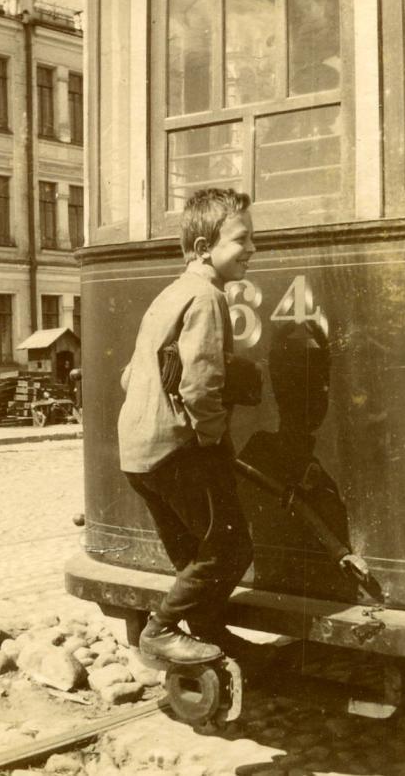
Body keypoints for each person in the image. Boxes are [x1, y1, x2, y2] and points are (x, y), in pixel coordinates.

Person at [118, 188, 257, 666]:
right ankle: (159, 632)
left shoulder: (170, 294)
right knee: (230, 548)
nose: (252, 249)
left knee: (192, 554)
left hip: (138, 452)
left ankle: (207, 631)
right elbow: (200, 385)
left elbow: (129, 375)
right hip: (177, 450)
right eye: (242, 240)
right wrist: (213, 438)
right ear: (204, 249)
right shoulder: (207, 296)